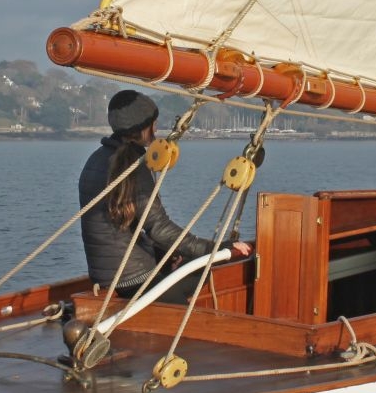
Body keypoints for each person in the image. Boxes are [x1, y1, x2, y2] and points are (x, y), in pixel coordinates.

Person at [79, 90, 251, 299]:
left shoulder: (95, 160)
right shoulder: (134, 165)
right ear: (144, 128)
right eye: (154, 122)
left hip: (105, 275)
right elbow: (158, 227)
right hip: (133, 277)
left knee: (194, 269)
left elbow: (126, 225)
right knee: (200, 286)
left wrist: (166, 254)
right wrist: (216, 249)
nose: (157, 127)